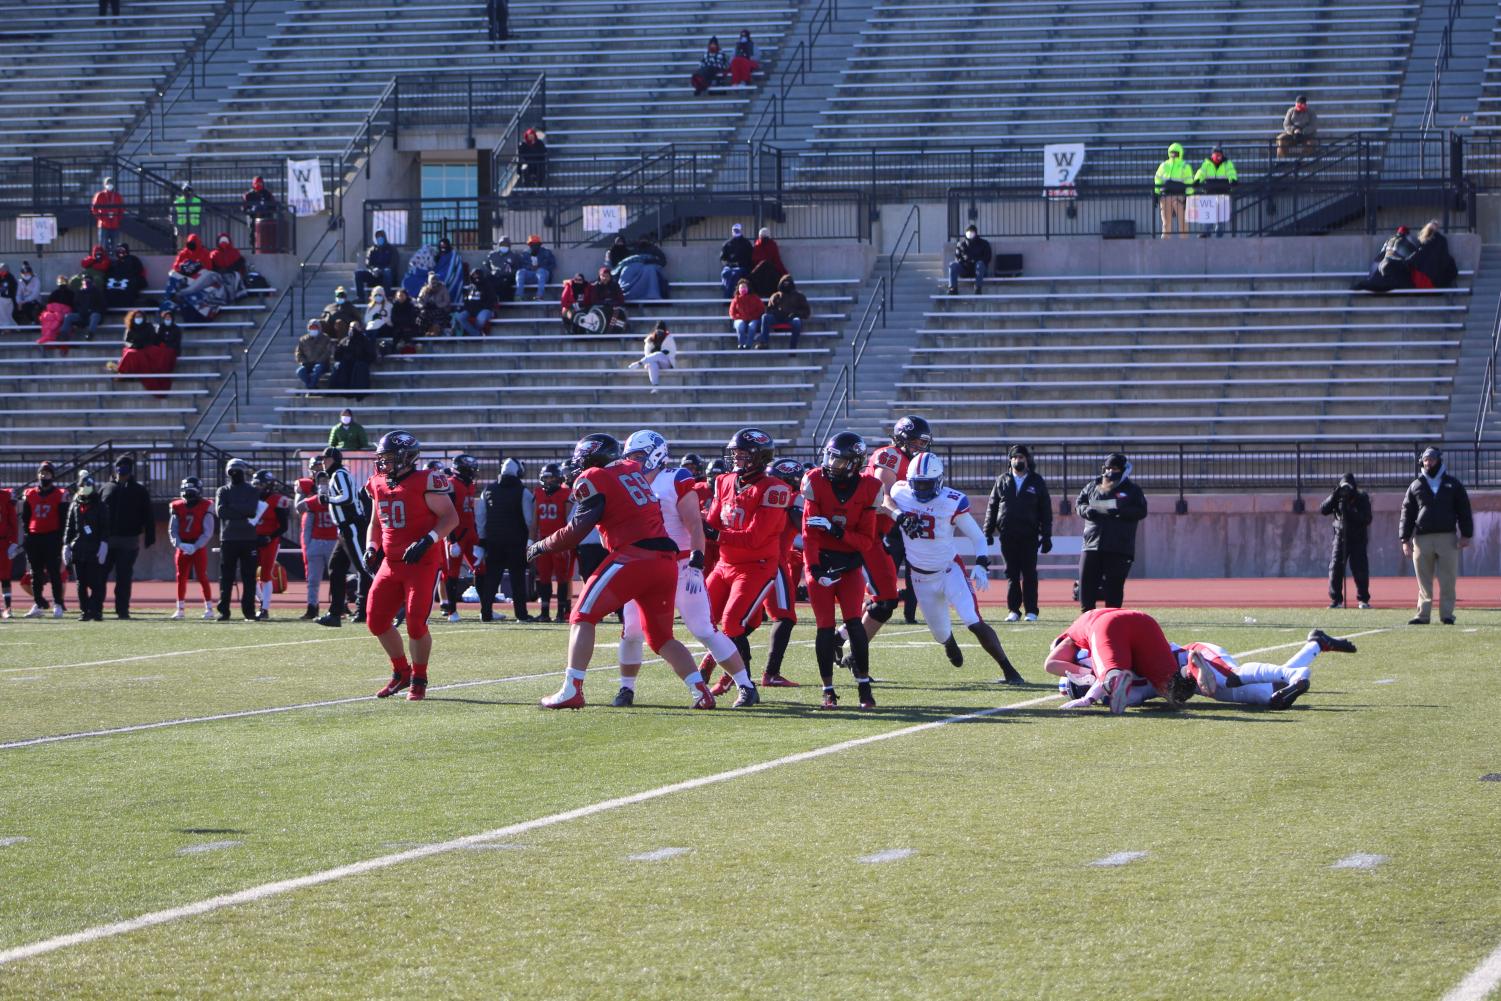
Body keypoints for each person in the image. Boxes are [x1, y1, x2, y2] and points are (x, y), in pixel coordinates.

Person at [526, 433, 718, 710]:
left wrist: (541, 546)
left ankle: (572, 690)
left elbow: (575, 531)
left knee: (581, 615)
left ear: (593, 458)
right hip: (666, 559)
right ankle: (700, 692)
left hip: (633, 556)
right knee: (661, 636)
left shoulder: (595, 476)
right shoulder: (632, 469)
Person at [615, 430, 760, 708]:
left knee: (704, 629)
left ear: (655, 454)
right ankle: (626, 688)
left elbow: (694, 523)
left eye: (638, 456)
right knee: (631, 630)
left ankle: (746, 685)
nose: (633, 462)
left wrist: (696, 562)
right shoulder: (628, 482)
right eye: (630, 457)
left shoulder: (675, 478)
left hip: (679, 564)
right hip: (643, 565)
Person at [885, 453, 1024, 683]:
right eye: (917, 483)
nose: (920, 489)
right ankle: (949, 642)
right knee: (940, 634)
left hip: (950, 570)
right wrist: (898, 515)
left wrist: (981, 563)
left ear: (938, 480)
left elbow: (978, 537)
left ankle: (1010, 671)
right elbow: (885, 498)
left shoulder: (951, 500)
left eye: (926, 483)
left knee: (973, 620)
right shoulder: (901, 492)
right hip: (920, 577)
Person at [366, 432, 460, 702]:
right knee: (375, 620)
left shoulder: (425, 480)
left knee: (416, 622)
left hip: (422, 563)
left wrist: (428, 540)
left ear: (406, 458)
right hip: (391, 563)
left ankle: (419, 678)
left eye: (389, 458)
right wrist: (371, 548)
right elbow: (375, 522)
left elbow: (450, 518)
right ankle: (401, 672)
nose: (383, 463)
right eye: (382, 457)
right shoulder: (377, 482)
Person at [802, 432, 882, 709]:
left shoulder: (870, 487)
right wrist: (813, 569)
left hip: (849, 564)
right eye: (831, 456)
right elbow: (809, 533)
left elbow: (866, 541)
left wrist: (836, 531)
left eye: (839, 459)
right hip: (821, 562)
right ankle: (828, 689)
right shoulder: (815, 480)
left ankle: (863, 687)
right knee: (825, 627)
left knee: (853, 624)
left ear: (854, 463)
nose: (831, 463)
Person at [1172, 629, 1357, 711]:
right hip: (1191, 682)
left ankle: (1295, 674)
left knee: (1228, 677)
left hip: (1194, 656)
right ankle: (1317, 643)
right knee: (1265, 695)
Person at [1048, 608, 1181, 714]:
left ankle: (1114, 683)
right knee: (1174, 686)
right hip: (1143, 619)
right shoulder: (1084, 626)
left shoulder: (1072, 637)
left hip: (1107, 624)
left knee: (1112, 675)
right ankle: (1191, 674)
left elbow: (1050, 664)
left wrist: (1089, 680)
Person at [1400, 446, 1472, 625]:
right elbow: (1407, 513)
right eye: (1425, 459)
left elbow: (1464, 510)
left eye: (1431, 458)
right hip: (1422, 538)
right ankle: (1422, 615)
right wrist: (1404, 539)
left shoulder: (1453, 484)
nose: (1428, 462)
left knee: (1448, 578)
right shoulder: (1416, 485)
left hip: (1447, 537)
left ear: (1439, 459)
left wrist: (1466, 534)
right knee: (1424, 580)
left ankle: (1447, 614)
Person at [983, 443, 1052, 622]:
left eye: (1021, 457)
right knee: (1012, 574)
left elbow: (1045, 510)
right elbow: (992, 506)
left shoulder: (1036, 481)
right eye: (1015, 457)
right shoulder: (1002, 480)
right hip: (1007, 535)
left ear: (1026, 460)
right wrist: (987, 531)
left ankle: (1031, 611)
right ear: (1010, 460)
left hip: (1029, 535)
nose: (1018, 460)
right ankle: (1013, 610)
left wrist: (1046, 536)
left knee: (1029, 574)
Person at [1075, 452, 1147, 610]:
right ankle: (1087, 620)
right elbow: (1079, 504)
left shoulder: (1132, 490)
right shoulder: (1092, 486)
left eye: (1114, 468)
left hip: (1118, 546)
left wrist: (1120, 511)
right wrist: (1087, 510)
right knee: (1086, 587)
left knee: (1114, 589)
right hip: (1092, 543)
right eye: (1107, 468)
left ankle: (1112, 621)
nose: (1110, 472)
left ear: (1122, 470)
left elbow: (1141, 511)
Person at [317, 446, 372, 627]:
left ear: (333, 458)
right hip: (344, 529)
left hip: (352, 526)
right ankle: (335, 612)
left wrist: (329, 499)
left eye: (325, 458)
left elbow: (347, 497)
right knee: (335, 568)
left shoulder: (339, 473)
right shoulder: (334, 475)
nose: (323, 462)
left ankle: (371, 608)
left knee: (364, 568)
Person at [477, 458, 534, 622]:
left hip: (494, 541)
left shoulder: (488, 489)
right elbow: (529, 519)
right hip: (517, 541)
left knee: (492, 579)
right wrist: (530, 541)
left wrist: (482, 539)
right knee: (517, 579)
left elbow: (480, 517)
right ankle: (521, 614)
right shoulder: (523, 491)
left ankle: (486, 613)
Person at [99, 455, 155, 619]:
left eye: (125, 467)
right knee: (100, 576)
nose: (122, 471)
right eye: (120, 466)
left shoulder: (139, 490)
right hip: (107, 540)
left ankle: (122, 610)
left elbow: (148, 514)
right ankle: (96, 608)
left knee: (123, 577)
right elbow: (96, 513)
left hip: (129, 540)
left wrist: (149, 536)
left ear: (131, 471)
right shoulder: (106, 488)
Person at [19, 462, 68, 618]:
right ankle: (39, 603)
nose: (43, 476)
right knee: (35, 573)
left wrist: (61, 540)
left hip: (52, 537)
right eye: (41, 473)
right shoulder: (30, 493)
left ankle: (58, 604)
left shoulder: (60, 494)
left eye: (47, 473)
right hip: (34, 538)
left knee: (54, 573)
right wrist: (27, 536)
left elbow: (63, 519)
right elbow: (25, 519)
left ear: (52, 476)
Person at [215, 458, 261, 622]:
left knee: (249, 577)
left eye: (237, 471)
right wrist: (242, 510)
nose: (234, 474)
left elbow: (252, 511)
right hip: (228, 539)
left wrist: (232, 506)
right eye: (231, 471)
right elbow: (221, 512)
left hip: (248, 539)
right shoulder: (222, 491)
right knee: (226, 577)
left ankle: (249, 611)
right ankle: (224, 611)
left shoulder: (252, 490)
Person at [527, 463, 574, 623]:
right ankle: (544, 612)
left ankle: (561, 612)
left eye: (551, 477)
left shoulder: (566, 493)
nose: (548, 481)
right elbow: (534, 522)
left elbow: (569, 521)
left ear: (558, 478)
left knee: (562, 577)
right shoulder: (538, 493)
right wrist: (530, 542)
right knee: (543, 577)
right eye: (545, 477)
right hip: (543, 543)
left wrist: (567, 543)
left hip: (560, 542)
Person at [438, 454, 481, 623]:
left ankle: (486, 610)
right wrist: (452, 538)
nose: (473, 473)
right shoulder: (451, 484)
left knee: (482, 569)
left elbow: (470, 511)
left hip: (471, 534)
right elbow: (446, 514)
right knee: (452, 573)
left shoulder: (469, 485)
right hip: (456, 534)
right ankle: (451, 611)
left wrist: (478, 537)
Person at [1320, 473, 1371, 609]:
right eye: (1344, 487)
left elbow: (1367, 518)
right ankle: (1336, 600)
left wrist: (1350, 511)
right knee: (1336, 568)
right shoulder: (1337, 498)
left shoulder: (1362, 497)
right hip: (1340, 537)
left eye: (1348, 487)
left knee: (1360, 569)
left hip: (1358, 538)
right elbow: (1323, 509)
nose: (1346, 491)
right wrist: (1335, 495)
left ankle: (1363, 600)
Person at [62, 474, 109, 622]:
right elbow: (70, 527)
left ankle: (96, 610)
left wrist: (104, 543)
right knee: (81, 582)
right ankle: (85, 611)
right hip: (78, 548)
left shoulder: (100, 505)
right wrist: (66, 544)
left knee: (96, 582)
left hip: (94, 548)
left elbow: (105, 527)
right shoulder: (75, 504)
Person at [295, 464, 338, 621]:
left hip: (334, 542)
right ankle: (312, 608)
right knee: (313, 579)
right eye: (321, 481)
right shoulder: (315, 499)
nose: (323, 484)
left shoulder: (338, 498)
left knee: (337, 577)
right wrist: (310, 500)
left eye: (326, 481)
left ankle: (339, 606)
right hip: (317, 541)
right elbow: (298, 508)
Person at [169, 477, 216, 620]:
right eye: (187, 491)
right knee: (180, 577)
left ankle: (209, 608)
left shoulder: (206, 505)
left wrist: (196, 546)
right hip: (183, 546)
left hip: (198, 546)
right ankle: (180, 609)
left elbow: (208, 531)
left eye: (192, 491)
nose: (189, 494)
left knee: (202, 576)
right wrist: (179, 544)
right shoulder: (177, 506)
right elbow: (173, 529)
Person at [249, 470, 291, 619]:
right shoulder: (251, 499)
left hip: (269, 541)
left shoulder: (277, 500)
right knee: (249, 574)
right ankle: (261, 601)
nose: (257, 487)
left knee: (266, 575)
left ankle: (265, 608)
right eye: (255, 484)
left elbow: (283, 526)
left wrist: (269, 537)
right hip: (253, 540)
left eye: (260, 484)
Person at [1353, 226, 1420, 293]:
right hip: (1394, 266)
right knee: (1408, 287)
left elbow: (1380, 255)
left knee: (1377, 284)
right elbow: (1414, 255)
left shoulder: (1389, 240)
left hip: (1381, 264)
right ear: (1407, 234)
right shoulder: (1406, 240)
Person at [1192, 145, 1237, 237]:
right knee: (1208, 213)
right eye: (1216, 154)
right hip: (1210, 192)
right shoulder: (1207, 163)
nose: (1217, 156)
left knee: (1221, 214)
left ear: (1222, 154)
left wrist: (1233, 179)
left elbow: (1231, 172)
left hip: (1223, 192)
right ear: (1212, 155)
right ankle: (1207, 232)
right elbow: (1201, 172)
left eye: (1219, 154)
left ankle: (1219, 233)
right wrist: (1197, 180)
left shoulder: (1227, 163)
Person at [1153, 142, 1194, 238]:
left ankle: (1184, 244)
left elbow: (1189, 182)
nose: (1174, 154)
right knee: (1166, 223)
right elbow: (1157, 179)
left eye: (1175, 152)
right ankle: (1165, 245)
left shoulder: (1185, 166)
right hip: (1165, 196)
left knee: (1183, 222)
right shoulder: (1164, 165)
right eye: (1172, 152)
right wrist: (1156, 193)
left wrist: (1189, 197)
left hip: (1180, 197)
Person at [763, 275, 810, 349]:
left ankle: (792, 348)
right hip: (777, 318)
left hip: (791, 318)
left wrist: (795, 314)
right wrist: (776, 313)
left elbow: (806, 311)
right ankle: (764, 343)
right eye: (784, 283)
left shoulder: (799, 296)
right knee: (765, 317)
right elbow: (768, 310)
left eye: (788, 283)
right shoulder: (775, 296)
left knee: (797, 321)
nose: (786, 285)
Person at [1409, 221, 1458, 289]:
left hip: (1424, 276)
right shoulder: (1441, 239)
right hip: (1437, 277)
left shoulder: (1421, 240)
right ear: (1437, 228)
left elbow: (1416, 258)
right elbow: (1445, 257)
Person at [628, 320, 676, 390]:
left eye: (661, 331)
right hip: (654, 361)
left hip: (666, 362)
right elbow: (647, 353)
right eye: (658, 331)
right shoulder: (650, 339)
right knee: (652, 363)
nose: (659, 333)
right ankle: (655, 385)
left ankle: (639, 363)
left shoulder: (668, 338)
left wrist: (665, 353)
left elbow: (673, 352)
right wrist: (652, 357)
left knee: (659, 354)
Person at [329, 323, 375, 394]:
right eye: (350, 327)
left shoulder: (365, 340)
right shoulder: (344, 340)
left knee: (359, 367)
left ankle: (357, 392)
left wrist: (362, 360)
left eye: (354, 328)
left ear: (360, 328)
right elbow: (338, 354)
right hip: (346, 363)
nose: (352, 329)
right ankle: (336, 391)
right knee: (338, 366)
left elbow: (371, 354)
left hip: (359, 362)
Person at [947, 224, 993, 294]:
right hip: (965, 269)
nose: (970, 234)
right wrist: (964, 261)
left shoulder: (984, 243)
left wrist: (975, 260)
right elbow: (957, 257)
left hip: (979, 271)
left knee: (980, 264)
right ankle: (953, 288)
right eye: (968, 232)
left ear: (975, 233)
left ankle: (978, 287)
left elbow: (987, 257)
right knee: (952, 265)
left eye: (972, 232)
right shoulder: (961, 244)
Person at [59, 275, 105, 342]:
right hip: (81, 315)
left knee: (95, 316)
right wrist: (81, 311)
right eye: (84, 281)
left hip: (92, 315)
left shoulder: (97, 292)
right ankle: (64, 334)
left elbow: (102, 305)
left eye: (88, 281)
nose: (86, 282)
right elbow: (75, 305)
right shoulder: (79, 292)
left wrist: (92, 310)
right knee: (68, 316)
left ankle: (90, 333)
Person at [104, 242, 147, 311]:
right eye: (119, 249)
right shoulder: (113, 262)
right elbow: (109, 273)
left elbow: (139, 270)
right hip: (116, 282)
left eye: (122, 249)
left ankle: (126, 306)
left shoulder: (133, 259)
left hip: (128, 281)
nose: (120, 251)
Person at [243, 176, 279, 253]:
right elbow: (244, 208)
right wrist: (252, 210)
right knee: (254, 238)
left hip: (265, 221)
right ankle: (254, 251)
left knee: (267, 238)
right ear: (253, 184)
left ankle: (267, 251)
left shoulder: (267, 194)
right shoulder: (249, 195)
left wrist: (265, 209)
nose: (258, 185)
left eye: (260, 183)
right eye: (257, 183)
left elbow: (274, 207)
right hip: (253, 220)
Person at [296, 319, 334, 390]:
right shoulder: (303, 339)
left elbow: (328, 352)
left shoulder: (325, 338)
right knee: (300, 371)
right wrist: (305, 361)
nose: (313, 329)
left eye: (315, 328)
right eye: (311, 328)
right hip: (307, 364)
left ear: (319, 328)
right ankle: (312, 386)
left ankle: (310, 387)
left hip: (321, 364)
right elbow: (298, 353)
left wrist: (319, 360)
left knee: (317, 368)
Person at [748, 227, 787, 296]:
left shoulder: (757, 246)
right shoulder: (761, 246)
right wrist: (784, 273)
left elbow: (754, 262)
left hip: (763, 274)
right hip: (765, 273)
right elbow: (777, 261)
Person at [516, 235, 555, 301]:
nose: (534, 246)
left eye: (536, 244)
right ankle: (519, 296)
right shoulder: (525, 254)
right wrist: (530, 268)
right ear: (529, 245)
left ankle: (539, 296)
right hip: (530, 274)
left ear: (539, 244)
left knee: (541, 271)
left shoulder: (546, 252)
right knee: (520, 272)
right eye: (532, 244)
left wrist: (541, 268)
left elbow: (553, 264)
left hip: (543, 275)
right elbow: (520, 266)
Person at [719, 223, 753, 298]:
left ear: (741, 230)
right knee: (725, 273)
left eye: (737, 230)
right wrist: (728, 264)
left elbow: (750, 258)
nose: (736, 231)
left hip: (742, 267)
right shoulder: (727, 244)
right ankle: (728, 296)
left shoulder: (746, 243)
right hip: (729, 267)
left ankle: (729, 297)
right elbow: (723, 258)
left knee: (735, 274)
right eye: (734, 230)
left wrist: (741, 264)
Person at [91, 177, 124, 253]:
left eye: (111, 183)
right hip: (103, 225)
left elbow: (121, 210)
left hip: (115, 224)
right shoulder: (100, 195)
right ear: (104, 185)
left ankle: (114, 261)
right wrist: (101, 217)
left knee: (115, 246)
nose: (109, 185)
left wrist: (118, 219)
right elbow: (94, 208)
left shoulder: (117, 196)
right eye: (108, 184)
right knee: (103, 246)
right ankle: (104, 262)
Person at [729, 278, 764, 349]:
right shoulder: (736, 299)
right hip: (740, 319)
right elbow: (732, 313)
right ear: (738, 289)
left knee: (752, 326)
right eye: (741, 287)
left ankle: (748, 344)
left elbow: (761, 310)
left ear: (748, 288)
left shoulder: (755, 298)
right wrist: (741, 317)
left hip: (754, 319)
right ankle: (741, 344)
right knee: (740, 325)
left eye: (745, 287)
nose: (743, 289)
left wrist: (751, 317)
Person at [416, 270, 452, 336]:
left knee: (438, 319)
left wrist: (439, 305)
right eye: (432, 280)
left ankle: (435, 334)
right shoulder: (424, 289)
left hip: (439, 309)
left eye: (435, 280)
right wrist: (422, 305)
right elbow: (419, 299)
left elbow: (447, 301)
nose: (434, 281)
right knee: (421, 317)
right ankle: (423, 334)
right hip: (427, 309)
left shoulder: (443, 288)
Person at [0, 480, 17, 619]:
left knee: (5, 576)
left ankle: (8, 607)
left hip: (3, 542)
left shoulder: (5, 496)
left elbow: (13, 520)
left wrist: (14, 542)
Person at [0, 262, 15, 328]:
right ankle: (8, 327)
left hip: (8, 299)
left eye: (2, 269)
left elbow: (5, 289)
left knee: (4, 314)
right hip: (3, 298)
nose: (1, 271)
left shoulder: (9, 277)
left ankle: (6, 328)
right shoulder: (1, 276)